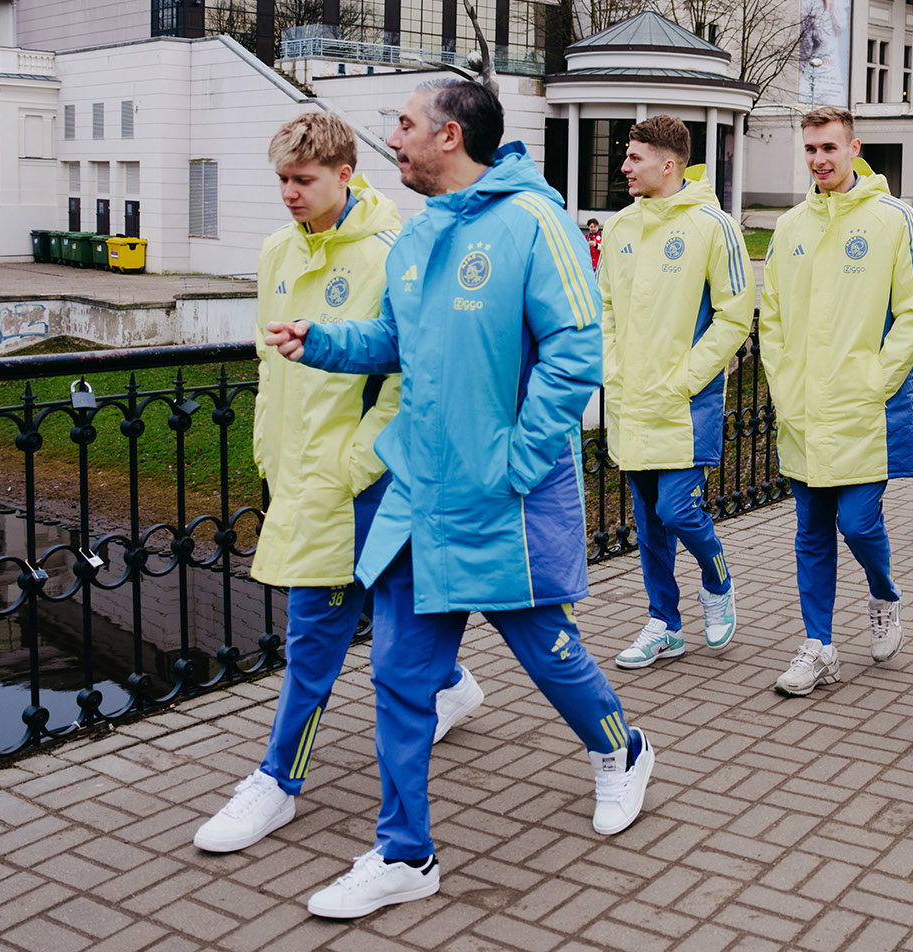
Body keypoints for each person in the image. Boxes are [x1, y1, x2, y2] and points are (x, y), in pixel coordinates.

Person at [265, 78, 654, 919]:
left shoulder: (532, 222)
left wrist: (519, 458)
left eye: (402, 125)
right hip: (421, 499)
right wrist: (324, 343)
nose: (390, 139)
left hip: (505, 502)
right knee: (401, 678)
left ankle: (622, 750)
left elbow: (577, 349)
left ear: (448, 135)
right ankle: (405, 852)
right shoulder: (417, 237)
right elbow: (397, 343)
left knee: (551, 656)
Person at [192, 112, 484, 858]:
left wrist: (357, 462)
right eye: (282, 180)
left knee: (314, 637)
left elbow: (407, 375)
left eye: (304, 180)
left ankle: (276, 782)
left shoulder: (395, 252)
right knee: (370, 619)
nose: (289, 194)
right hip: (299, 473)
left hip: (364, 481)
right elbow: (270, 361)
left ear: (345, 174)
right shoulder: (275, 252)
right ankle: (452, 684)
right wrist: (268, 444)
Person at [759, 106, 913, 696]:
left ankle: (884, 594)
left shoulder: (892, 219)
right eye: (810, 149)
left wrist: (878, 378)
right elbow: (773, 314)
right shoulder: (790, 226)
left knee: (857, 524)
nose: (819, 160)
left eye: (830, 147)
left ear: (855, 147)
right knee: (810, 531)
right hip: (804, 408)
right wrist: (782, 382)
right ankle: (819, 645)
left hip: (864, 409)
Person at [598, 116, 751, 669]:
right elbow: (605, 308)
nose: (624, 167)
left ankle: (717, 579)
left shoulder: (714, 226)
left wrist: (686, 378)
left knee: (678, 510)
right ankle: (664, 623)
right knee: (647, 523)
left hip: (687, 403)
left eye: (634, 157)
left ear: (668, 164)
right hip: (631, 399)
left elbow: (735, 317)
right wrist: (613, 366)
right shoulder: (618, 229)